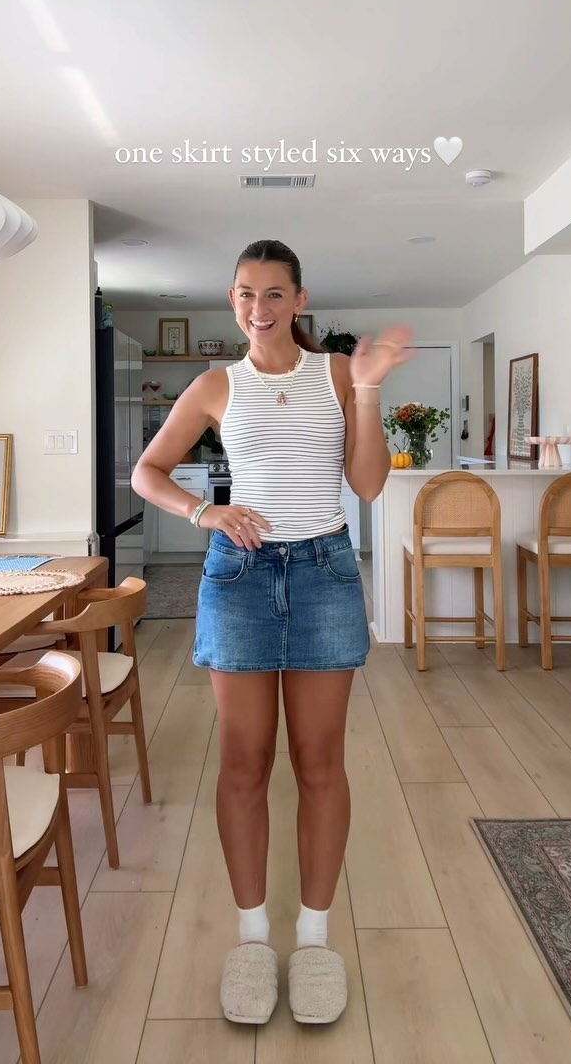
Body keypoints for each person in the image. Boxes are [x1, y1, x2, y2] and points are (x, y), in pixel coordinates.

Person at [132, 239, 411, 1026]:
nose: (260, 308)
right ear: (234, 300)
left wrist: (368, 391)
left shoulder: (338, 374)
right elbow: (148, 471)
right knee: (244, 765)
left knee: (320, 764)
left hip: (324, 573)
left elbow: (367, 484)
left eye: (275, 293)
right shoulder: (216, 384)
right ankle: (253, 938)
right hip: (240, 580)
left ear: (299, 299)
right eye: (246, 294)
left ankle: (314, 941)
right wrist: (204, 511)